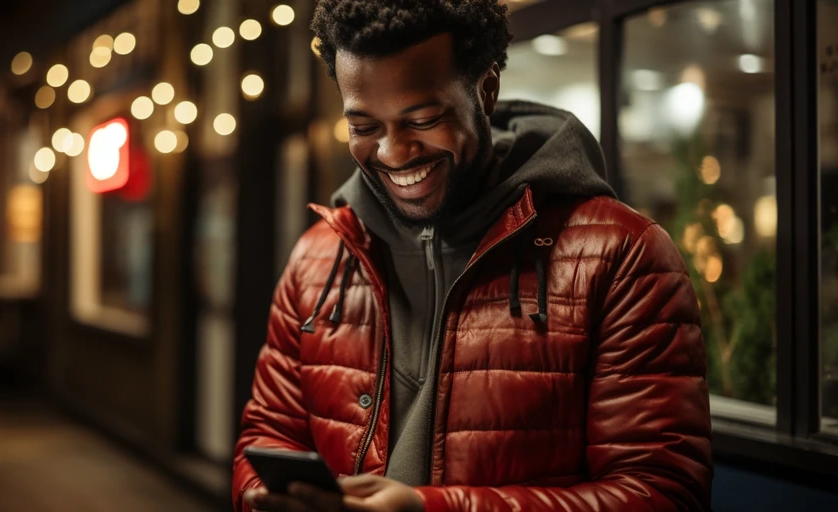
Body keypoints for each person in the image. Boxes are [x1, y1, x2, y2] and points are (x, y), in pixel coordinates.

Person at [233, 1, 713, 510]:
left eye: (422, 119)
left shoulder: (619, 256)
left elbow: (661, 493)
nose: (394, 153)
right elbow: (265, 439)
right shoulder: (317, 259)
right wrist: (270, 499)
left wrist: (432, 510)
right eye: (364, 127)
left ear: (486, 90)